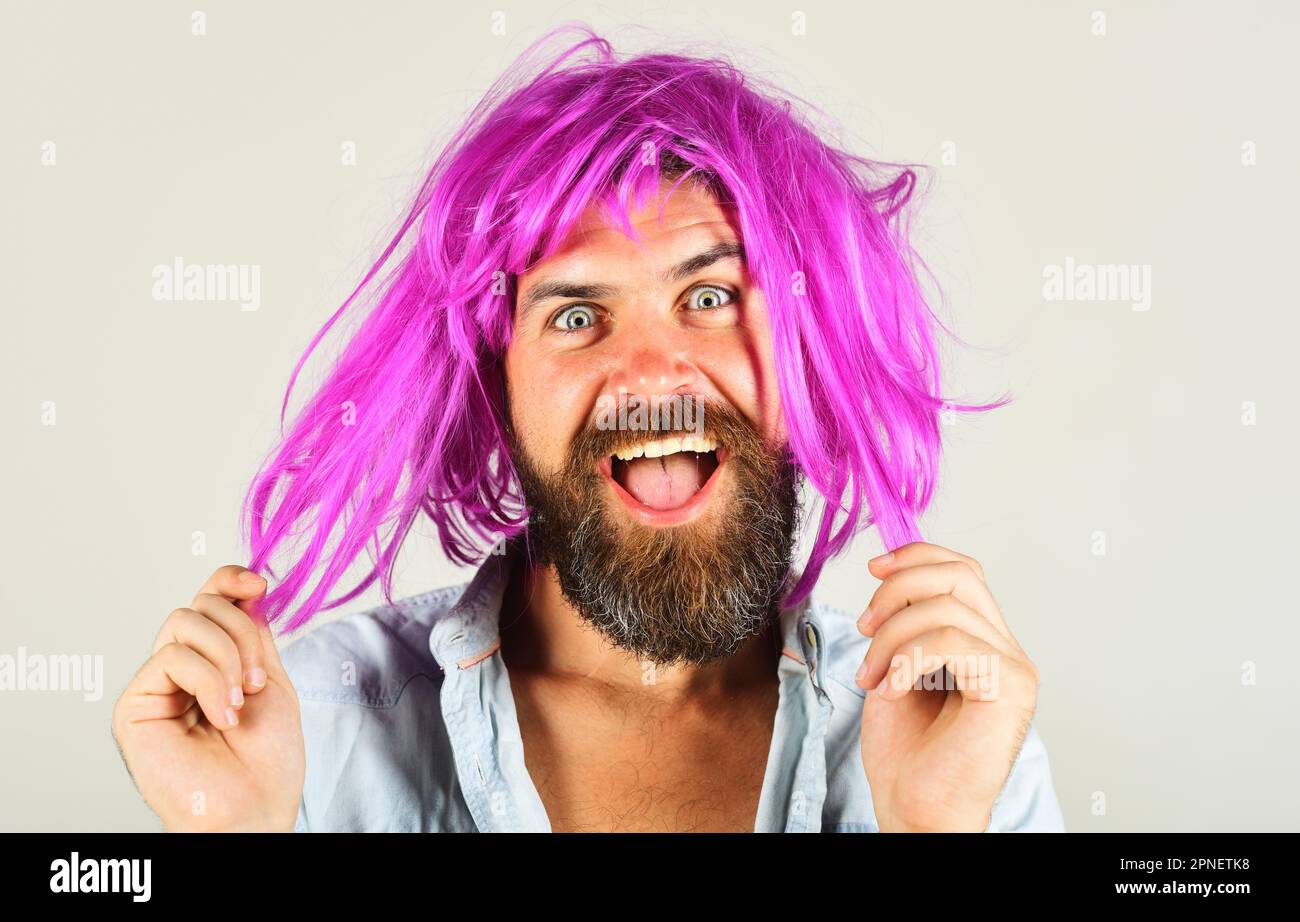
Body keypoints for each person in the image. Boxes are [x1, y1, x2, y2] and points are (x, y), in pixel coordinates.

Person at [111, 25, 1065, 833]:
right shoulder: (314, 732)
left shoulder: (946, 738)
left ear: (813, 353)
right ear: (501, 384)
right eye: (575, 315)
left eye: (709, 294)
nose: (650, 372)